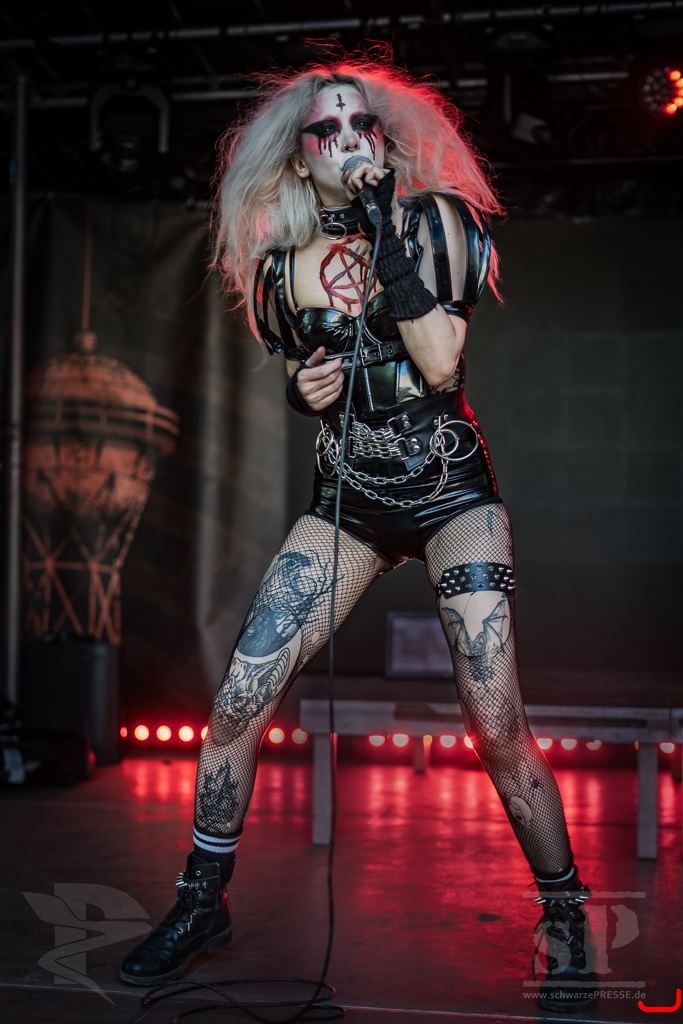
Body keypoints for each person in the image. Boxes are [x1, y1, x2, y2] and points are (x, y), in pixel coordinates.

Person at [119, 54, 599, 1013]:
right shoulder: (280, 270)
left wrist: (383, 224)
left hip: (452, 492)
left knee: (494, 718)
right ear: (299, 157)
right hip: (349, 501)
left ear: (385, 139)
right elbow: (309, 379)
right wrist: (304, 391)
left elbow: (439, 359)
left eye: (361, 124)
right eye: (325, 129)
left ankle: (567, 914)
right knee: (238, 697)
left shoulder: (438, 226)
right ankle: (201, 900)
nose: (347, 140)